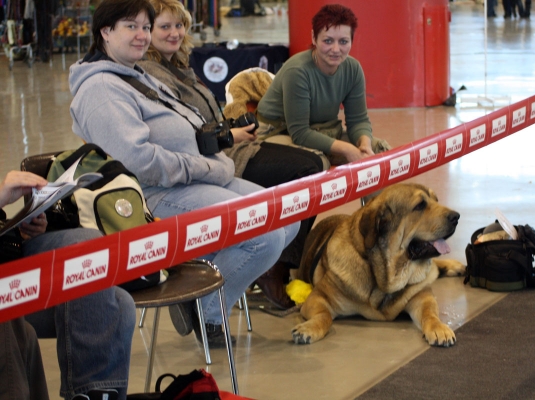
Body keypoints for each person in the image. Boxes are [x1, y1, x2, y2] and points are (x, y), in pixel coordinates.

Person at [68, 0, 299, 346]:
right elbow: (139, 162)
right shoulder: (101, 89)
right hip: (153, 195)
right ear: (105, 32)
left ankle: (197, 279)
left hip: (197, 177)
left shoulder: (136, 74)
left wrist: (211, 158)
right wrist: (207, 165)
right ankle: (207, 310)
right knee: (262, 236)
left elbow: (189, 129)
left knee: (287, 216)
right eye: (131, 26)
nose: (142, 36)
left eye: (145, 27)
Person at [138, 0, 322, 311]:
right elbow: (180, 135)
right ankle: (262, 274)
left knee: (306, 175)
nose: (175, 33)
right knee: (303, 173)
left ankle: (266, 267)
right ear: (146, 32)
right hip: (210, 161)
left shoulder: (179, 66)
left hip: (223, 153)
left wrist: (231, 128)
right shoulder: (150, 73)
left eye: (179, 25)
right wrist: (228, 135)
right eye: (165, 26)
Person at [0, 170, 136, 400]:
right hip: (7, 285)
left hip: (12, 256)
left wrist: (22, 227)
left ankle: (91, 394)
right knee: (120, 304)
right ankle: (88, 391)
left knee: (88, 247)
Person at [256, 4, 391, 169]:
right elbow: (299, 133)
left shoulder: (353, 69)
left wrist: (365, 143)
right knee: (316, 162)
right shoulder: (298, 71)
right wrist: (347, 149)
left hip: (322, 130)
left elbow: (358, 120)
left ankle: (379, 196)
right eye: (328, 41)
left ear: (352, 40)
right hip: (278, 132)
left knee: (380, 152)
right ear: (314, 38)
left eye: (343, 41)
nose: (336, 49)